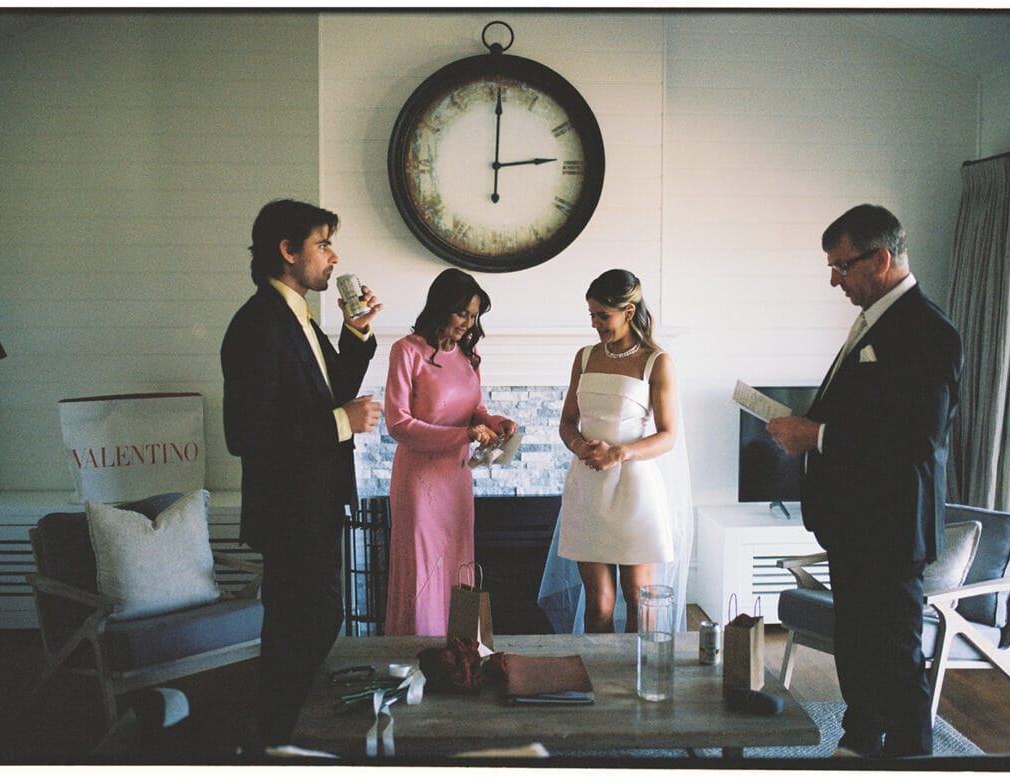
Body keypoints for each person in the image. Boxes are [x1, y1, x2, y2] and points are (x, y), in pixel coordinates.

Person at [767, 204, 962, 759]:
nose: (835, 280)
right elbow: (869, 412)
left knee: (896, 655)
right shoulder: (875, 320)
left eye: (842, 266)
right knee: (855, 643)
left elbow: (917, 439)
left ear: (880, 259)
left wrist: (817, 436)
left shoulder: (928, 330)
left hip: (892, 524)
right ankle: (859, 741)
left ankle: (910, 759)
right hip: (854, 521)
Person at [220, 198, 382, 753]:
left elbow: (334, 389)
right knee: (299, 628)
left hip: (315, 504)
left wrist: (355, 334)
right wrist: (342, 422)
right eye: (323, 244)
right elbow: (245, 434)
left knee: (311, 622)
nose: (334, 257)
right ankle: (277, 738)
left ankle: (284, 734)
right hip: (289, 511)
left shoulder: (300, 317)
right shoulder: (256, 324)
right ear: (288, 251)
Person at [384, 268, 518, 636]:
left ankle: (459, 653)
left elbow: (475, 410)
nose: (467, 323)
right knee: (421, 570)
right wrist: (463, 434)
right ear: (441, 307)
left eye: (473, 316)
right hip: (419, 483)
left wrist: (497, 422)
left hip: (457, 479)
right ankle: (414, 651)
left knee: (459, 567)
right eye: (462, 313)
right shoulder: (407, 351)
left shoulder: (469, 355)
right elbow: (398, 424)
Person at [547, 269, 682, 634]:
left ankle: (637, 669)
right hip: (588, 487)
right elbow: (567, 422)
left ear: (628, 311)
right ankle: (597, 669)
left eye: (602, 315)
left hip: (634, 489)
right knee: (600, 604)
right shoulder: (584, 357)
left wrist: (619, 453)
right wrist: (580, 446)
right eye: (591, 315)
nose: (595, 324)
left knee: (638, 598)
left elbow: (668, 436)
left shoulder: (657, 361)